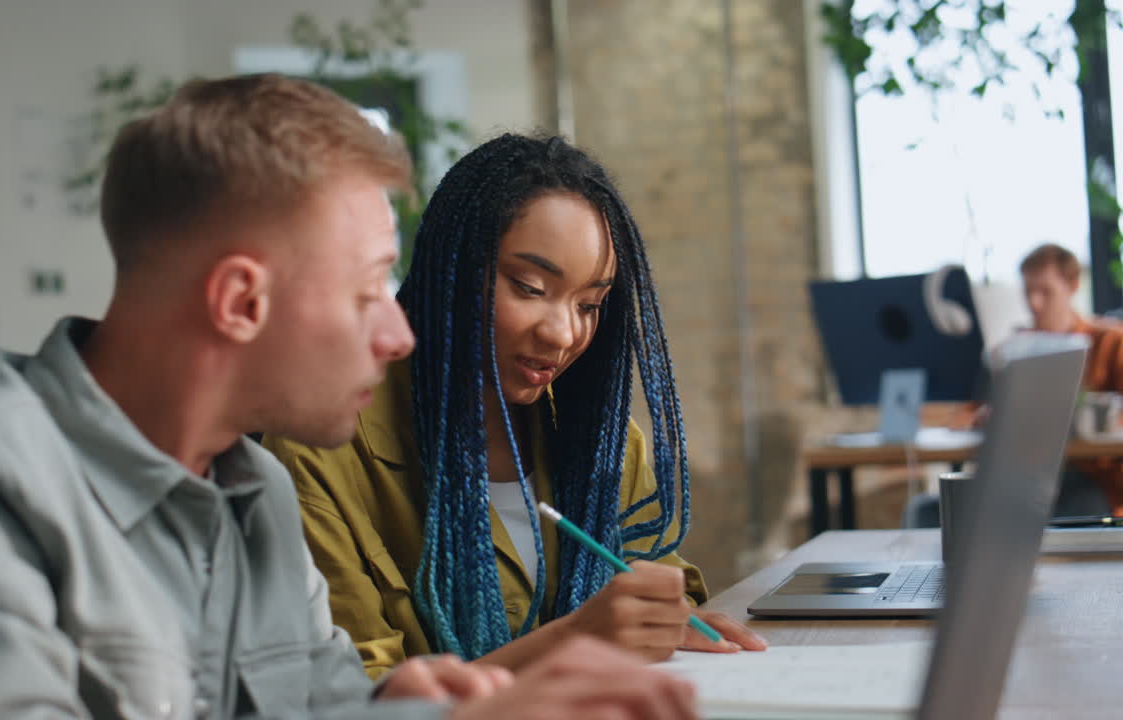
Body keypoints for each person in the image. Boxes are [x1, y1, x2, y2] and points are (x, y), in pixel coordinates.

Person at [0, 75, 699, 720]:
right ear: (241, 302)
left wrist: (409, 706)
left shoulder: (252, 489)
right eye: (369, 294)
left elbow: (321, 704)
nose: (401, 337)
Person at [267, 133, 766, 680]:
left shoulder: (607, 443)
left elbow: (663, 587)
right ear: (450, 269)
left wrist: (675, 618)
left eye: (590, 304)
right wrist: (573, 640)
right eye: (529, 287)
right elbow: (359, 697)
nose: (563, 333)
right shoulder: (322, 449)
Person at [1020, 242, 1123, 515]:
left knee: (1079, 505)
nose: (1034, 303)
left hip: (1092, 480)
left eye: (1045, 291)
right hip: (1026, 478)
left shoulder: (1110, 342)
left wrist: (1094, 416)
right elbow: (967, 414)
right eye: (1028, 291)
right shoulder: (1016, 351)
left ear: (1073, 285)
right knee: (929, 509)